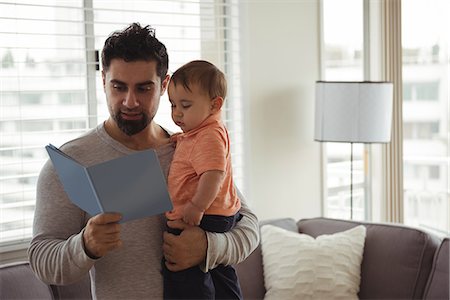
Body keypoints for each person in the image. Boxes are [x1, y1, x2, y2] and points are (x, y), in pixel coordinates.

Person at [28, 23, 259, 299]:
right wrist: (85, 246)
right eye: (118, 87)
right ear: (103, 81)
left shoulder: (189, 148)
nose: (130, 101)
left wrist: (209, 247)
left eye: (143, 88)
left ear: (164, 85)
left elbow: (249, 225)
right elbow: (42, 261)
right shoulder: (70, 163)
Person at [163, 60, 243, 299]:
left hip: (204, 216)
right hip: (220, 214)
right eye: (173, 105)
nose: (176, 113)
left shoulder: (208, 136)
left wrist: (197, 206)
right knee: (220, 271)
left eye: (185, 106)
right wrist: (182, 139)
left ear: (214, 104)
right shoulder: (201, 133)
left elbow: (214, 174)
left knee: (182, 270)